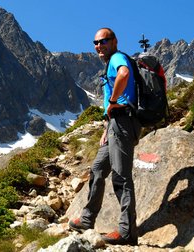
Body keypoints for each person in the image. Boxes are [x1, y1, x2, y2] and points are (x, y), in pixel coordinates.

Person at [69, 27, 141, 245]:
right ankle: (87, 219)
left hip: (124, 121)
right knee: (98, 170)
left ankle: (127, 232)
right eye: (96, 43)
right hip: (114, 125)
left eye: (103, 41)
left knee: (121, 176)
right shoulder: (110, 61)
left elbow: (124, 74)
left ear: (114, 41)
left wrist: (111, 103)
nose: (99, 46)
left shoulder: (118, 58)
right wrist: (106, 129)